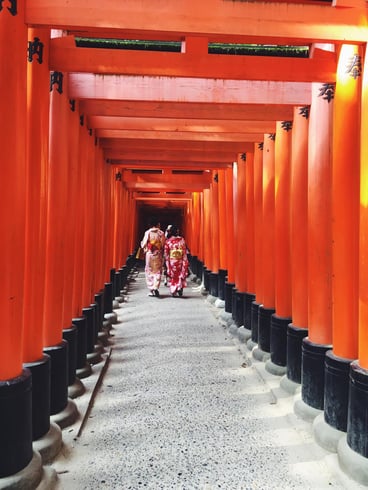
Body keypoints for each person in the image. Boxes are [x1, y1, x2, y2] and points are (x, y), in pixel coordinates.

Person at [140, 217, 165, 297]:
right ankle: (155, 286)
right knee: (158, 271)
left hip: (150, 254)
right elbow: (163, 244)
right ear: (158, 224)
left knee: (149, 271)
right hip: (158, 254)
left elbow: (143, 244)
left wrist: (144, 245)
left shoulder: (147, 233)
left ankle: (151, 289)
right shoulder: (161, 233)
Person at [164, 225, 189, 297]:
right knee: (180, 274)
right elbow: (184, 251)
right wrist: (185, 260)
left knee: (173, 276)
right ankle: (180, 287)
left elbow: (166, 253)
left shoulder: (168, 241)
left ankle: (174, 289)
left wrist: (167, 262)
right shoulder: (182, 240)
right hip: (180, 260)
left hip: (172, 261)